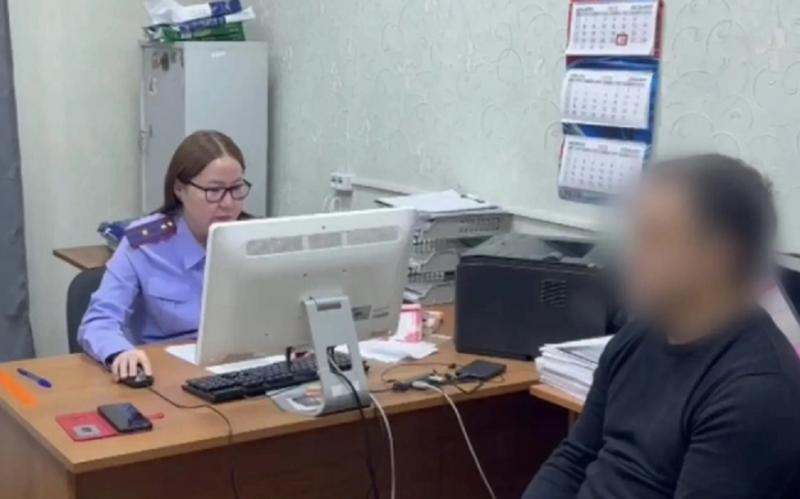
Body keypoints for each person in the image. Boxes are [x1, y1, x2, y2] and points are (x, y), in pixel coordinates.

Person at [524, 154, 800, 499]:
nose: (630, 255)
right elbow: (574, 459)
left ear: (719, 255)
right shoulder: (639, 336)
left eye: (653, 238)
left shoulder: (755, 393)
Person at [79, 130, 251, 381]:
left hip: (241, 371)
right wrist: (120, 352)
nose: (228, 203)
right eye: (214, 191)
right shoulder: (145, 244)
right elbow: (99, 320)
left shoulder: (256, 241)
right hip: (166, 377)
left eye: (236, 188)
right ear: (180, 189)